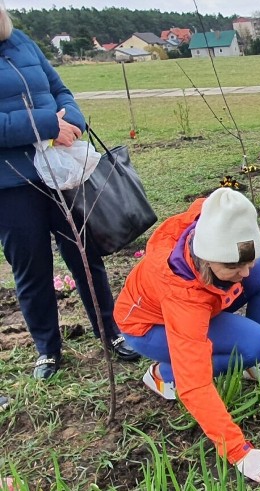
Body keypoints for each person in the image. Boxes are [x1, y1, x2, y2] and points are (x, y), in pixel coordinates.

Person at [114, 187, 260, 484]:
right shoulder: (182, 293)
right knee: (254, 345)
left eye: (245, 262)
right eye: (234, 266)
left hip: (206, 300)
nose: (245, 273)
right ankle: (164, 373)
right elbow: (195, 383)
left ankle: (255, 365)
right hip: (150, 327)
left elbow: (223, 204)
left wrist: (248, 250)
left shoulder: (212, 219)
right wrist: (239, 451)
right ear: (207, 258)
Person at [0, 4, 138, 380]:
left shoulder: (21, 41)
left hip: (62, 173)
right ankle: (48, 349)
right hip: (12, 183)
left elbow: (60, 89)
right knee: (32, 268)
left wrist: (72, 121)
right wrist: (47, 125)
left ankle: (110, 332)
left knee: (85, 255)